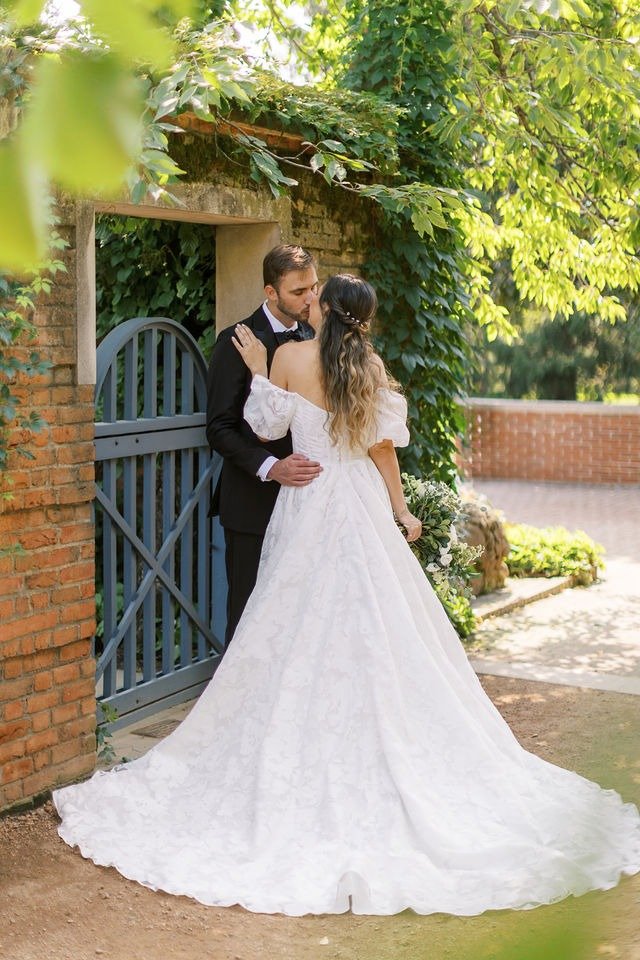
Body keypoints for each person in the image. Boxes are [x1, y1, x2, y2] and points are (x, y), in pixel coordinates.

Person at [53, 275, 640, 917]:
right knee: (380, 623)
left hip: (306, 502)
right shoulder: (370, 367)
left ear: (324, 308)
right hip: (358, 500)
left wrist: (260, 372)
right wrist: (402, 510)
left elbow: (267, 422)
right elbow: (382, 449)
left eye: (315, 296)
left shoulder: (290, 356)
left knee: (289, 623)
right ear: (365, 319)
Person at [206, 243, 322, 646]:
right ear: (270, 292)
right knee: (248, 615)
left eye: (313, 288)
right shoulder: (236, 341)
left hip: (308, 505)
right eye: (298, 291)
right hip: (252, 505)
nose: (310, 298)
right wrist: (272, 467)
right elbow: (219, 427)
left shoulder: (315, 337)